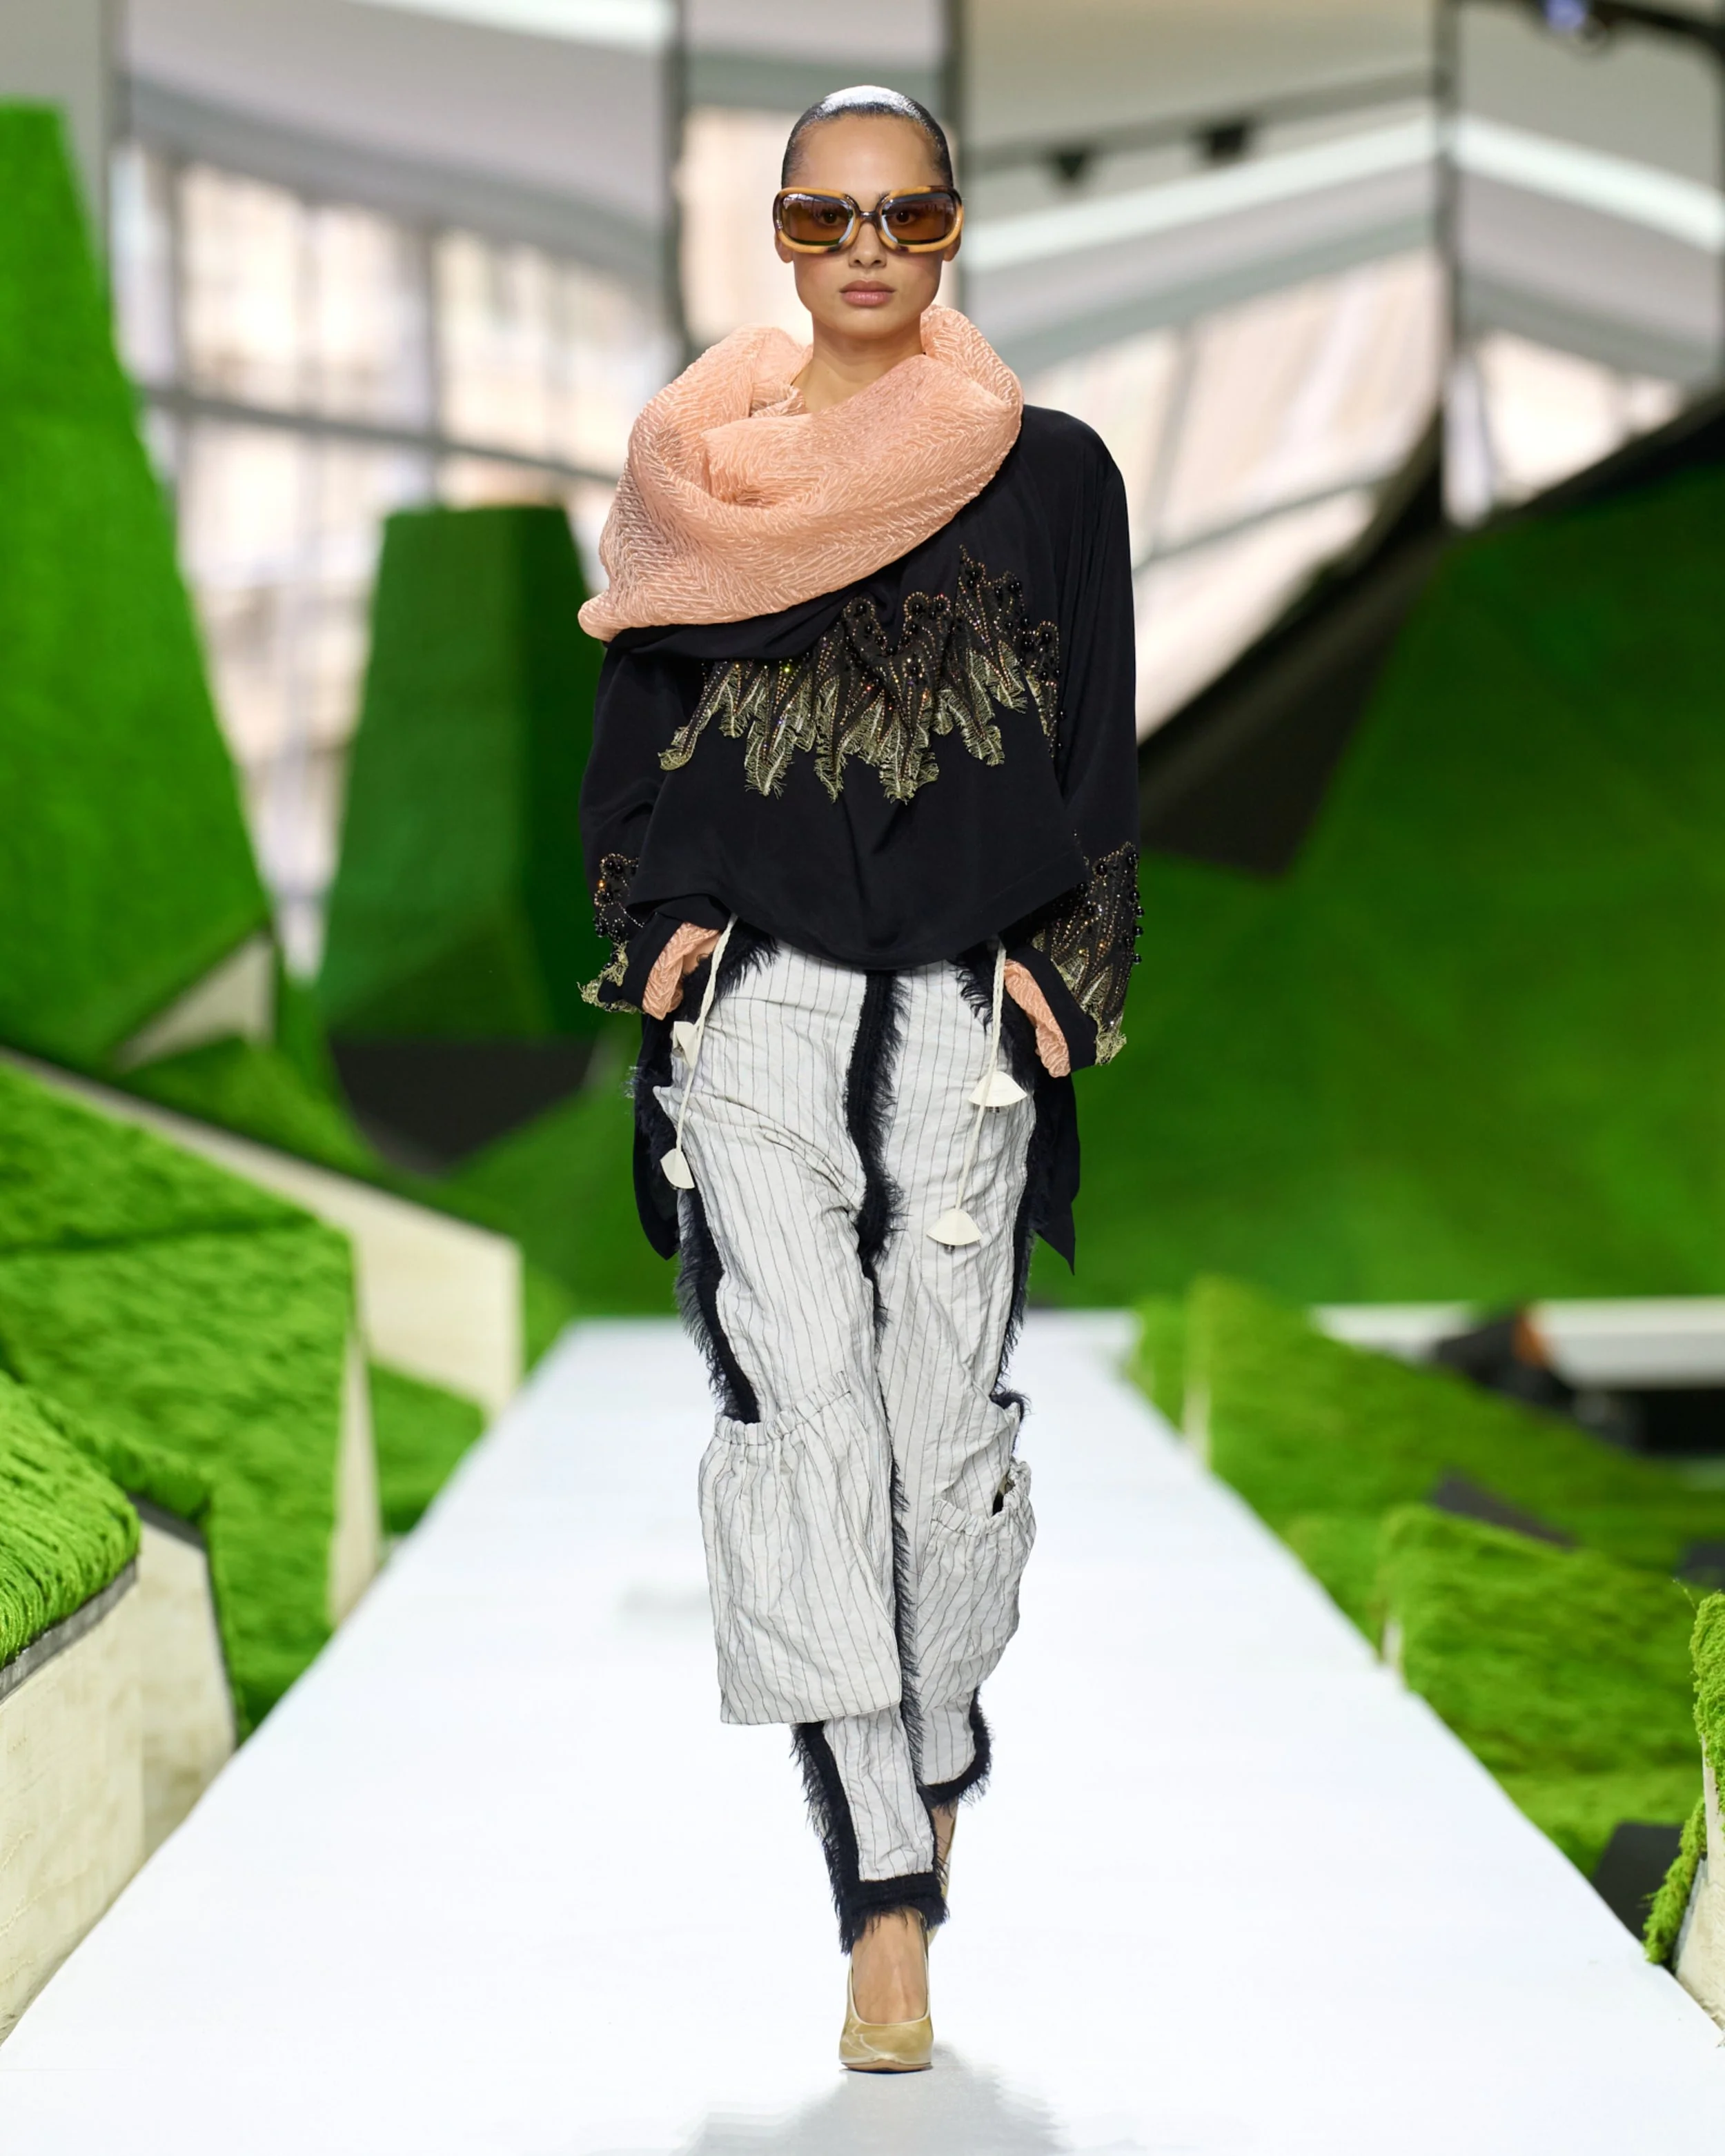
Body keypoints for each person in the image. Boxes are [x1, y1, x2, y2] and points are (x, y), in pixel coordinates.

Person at [578, 83, 1138, 2073]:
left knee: (936, 1430)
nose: (868, 251)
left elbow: (1096, 738)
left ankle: (939, 1733)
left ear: (955, 227)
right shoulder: (702, 474)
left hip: (968, 1008)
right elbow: (632, 728)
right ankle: (883, 1892)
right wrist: (654, 925)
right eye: (828, 219)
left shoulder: (1051, 471)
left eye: (905, 216)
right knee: (803, 1424)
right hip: (758, 1002)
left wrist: (1067, 964)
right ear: (782, 236)